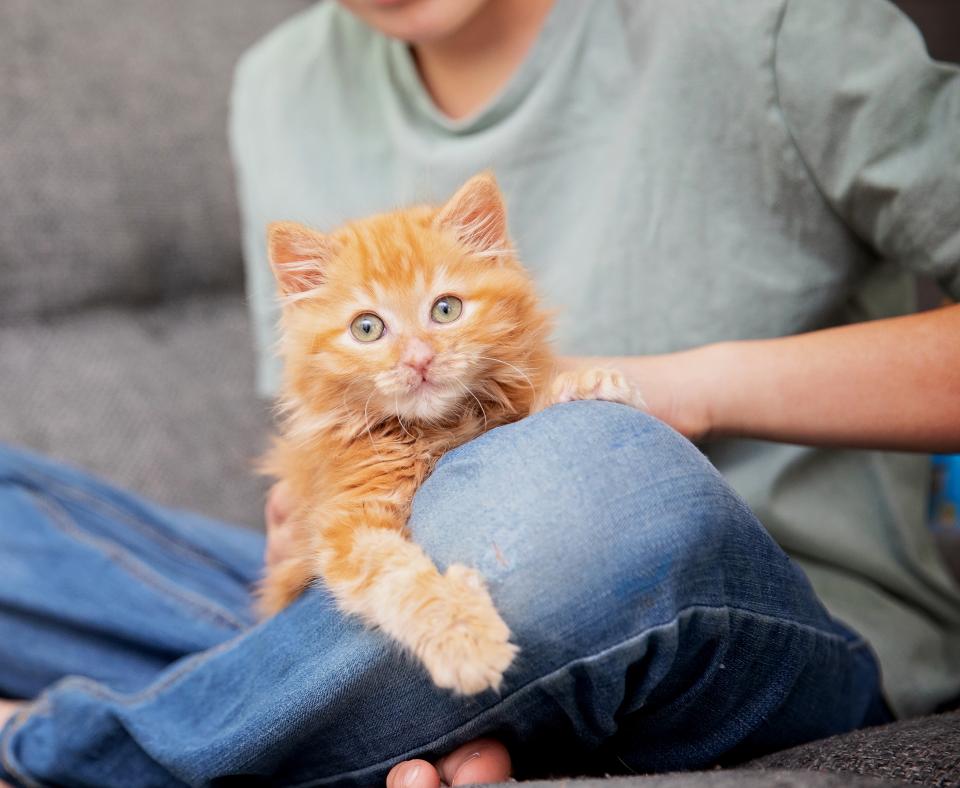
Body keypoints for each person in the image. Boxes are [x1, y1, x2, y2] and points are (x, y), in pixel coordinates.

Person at [1, 0, 959, 785]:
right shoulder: (279, 86)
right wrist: (307, 524)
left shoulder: (760, 22)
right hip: (405, 592)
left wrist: (690, 389)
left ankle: (67, 750)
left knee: (591, 480)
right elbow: (333, 436)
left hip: (762, 617)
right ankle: (304, 715)